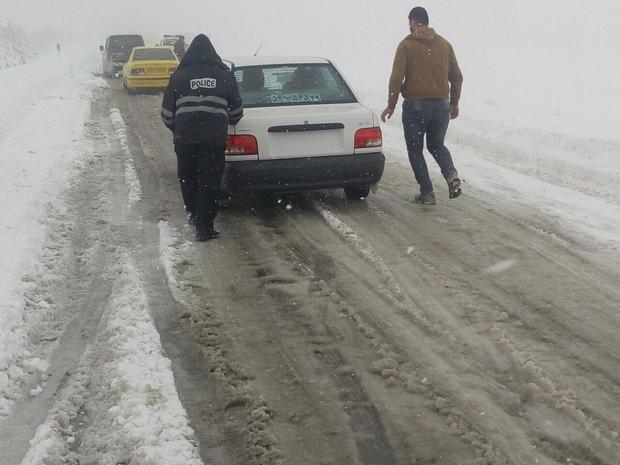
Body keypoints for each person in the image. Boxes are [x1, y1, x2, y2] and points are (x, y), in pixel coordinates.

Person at [161, 34, 243, 241]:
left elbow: (166, 114)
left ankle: (193, 213)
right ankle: (204, 226)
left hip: (185, 139)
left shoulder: (178, 77)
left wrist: (179, 128)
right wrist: (225, 119)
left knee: (187, 177)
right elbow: (237, 112)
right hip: (213, 139)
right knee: (209, 180)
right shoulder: (224, 76)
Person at [381, 7, 463, 205]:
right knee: (436, 145)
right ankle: (451, 175)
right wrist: (454, 103)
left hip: (416, 107)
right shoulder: (444, 44)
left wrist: (391, 104)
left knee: (415, 150)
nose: (409, 26)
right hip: (441, 106)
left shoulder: (406, 45)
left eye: (409, 22)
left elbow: (396, 78)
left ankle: (427, 193)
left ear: (413, 22)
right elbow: (457, 78)